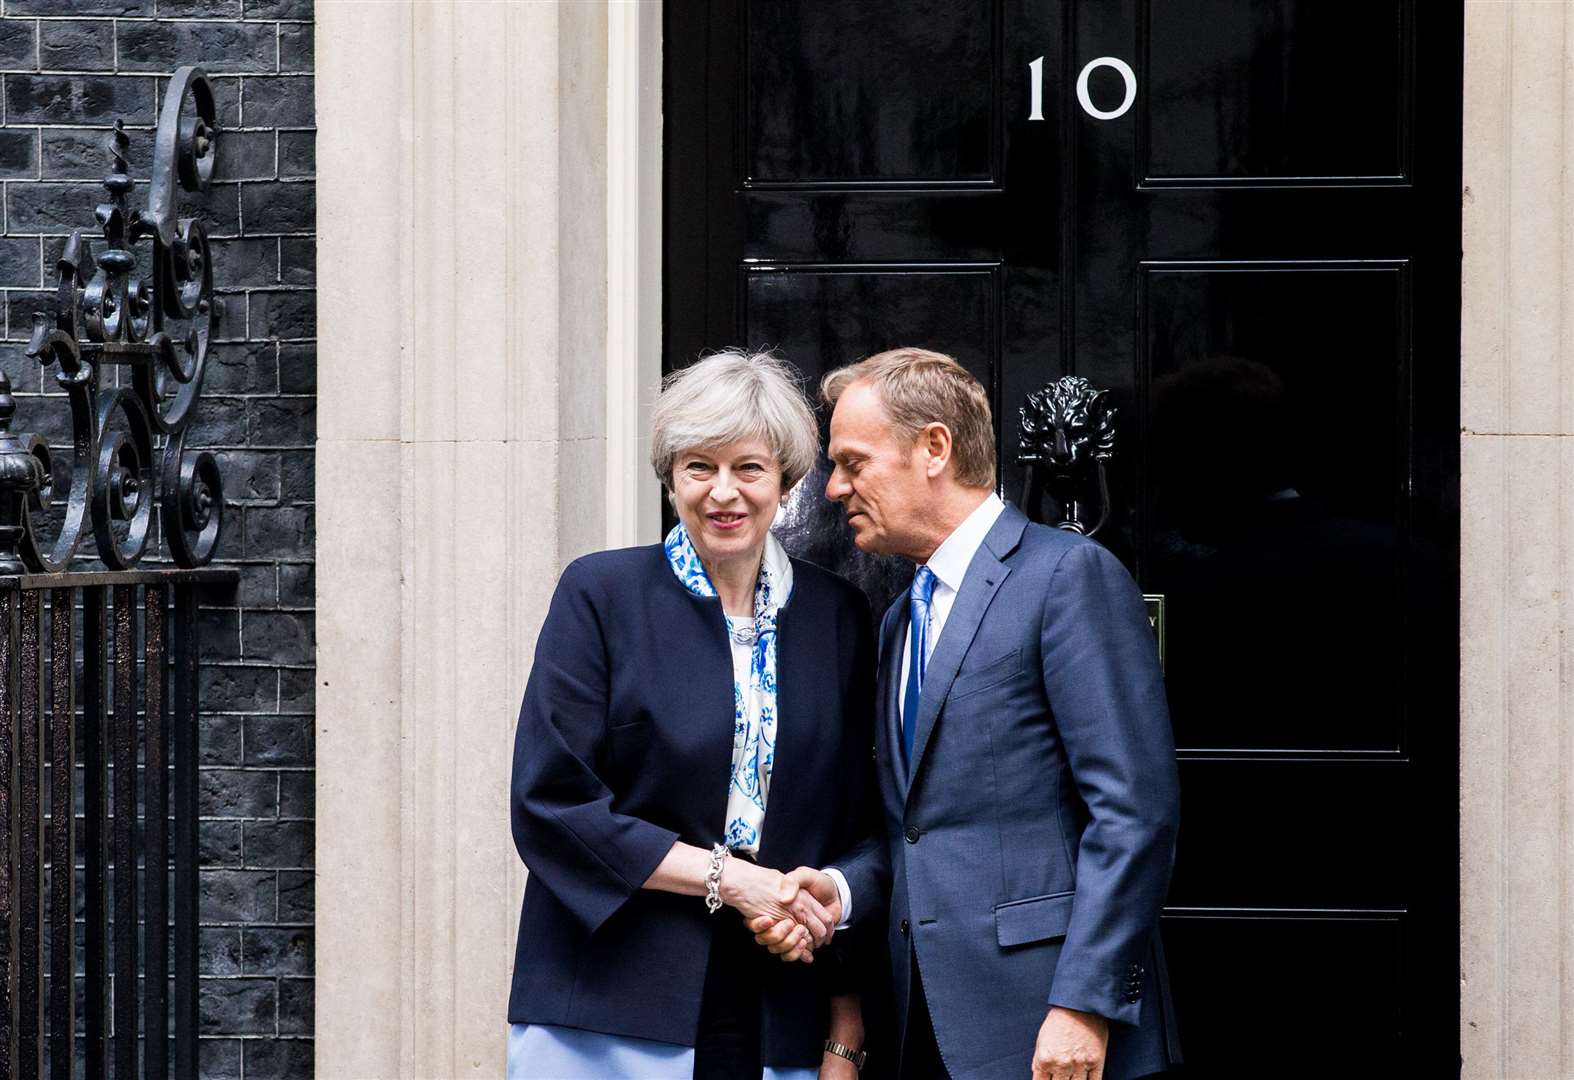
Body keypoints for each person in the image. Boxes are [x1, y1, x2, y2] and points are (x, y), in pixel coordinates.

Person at [752, 348, 1182, 1080]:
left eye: (854, 462)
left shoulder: (1066, 577)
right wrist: (842, 888)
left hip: (1053, 1027)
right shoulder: (898, 622)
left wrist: (1085, 1004)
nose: (833, 488)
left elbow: (1134, 813)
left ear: (934, 449)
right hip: (921, 1022)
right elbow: (914, 828)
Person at [507, 348, 884, 1079]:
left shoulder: (836, 616)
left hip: (783, 1000)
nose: (724, 493)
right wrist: (732, 880)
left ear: (785, 481)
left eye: (748, 468)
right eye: (698, 468)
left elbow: (861, 824)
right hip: (613, 997)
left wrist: (845, 1022)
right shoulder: (601, 596)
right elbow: (551, 802)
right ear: (670, 477)